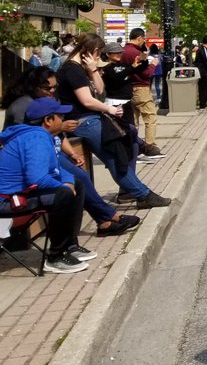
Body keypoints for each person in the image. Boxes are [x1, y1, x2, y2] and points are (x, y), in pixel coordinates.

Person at [2, 68, 140, 237]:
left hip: (47, 148)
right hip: (30, 156)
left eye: (55, 87)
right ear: (35, 87)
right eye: (48, 88)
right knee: (76, 180)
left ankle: (103, 221)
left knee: (79, 176)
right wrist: (63, 187)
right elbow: (33, 143)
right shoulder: (24, 107)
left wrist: (72, 153)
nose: (53, 91)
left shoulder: (46, 101)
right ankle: (104, 219)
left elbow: (56, 134)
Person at [56, 34, 171, 210]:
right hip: (83, 120)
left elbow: (100, 89)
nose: (98, 57)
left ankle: (135, 179)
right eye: (98, 53)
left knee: (129, 135)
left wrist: (93, 70)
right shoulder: (72, 70)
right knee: (115, 156)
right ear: (93, 51)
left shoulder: (82, 68)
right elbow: (87, 100)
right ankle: (142, 194)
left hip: (90, 118)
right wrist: (108, 108)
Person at [0, 97, 90, 273]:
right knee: (62, 195)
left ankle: (69, 246)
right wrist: (64, 187)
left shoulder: (41, 135)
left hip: (20, 194)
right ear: (48, 120)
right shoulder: (36, 138)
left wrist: (68, 181)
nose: (63, 120)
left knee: (76, 184)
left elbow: (56, 168)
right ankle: (55, 257)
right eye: (60, 117)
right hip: (8, 200)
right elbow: (37, 178)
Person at [124, 29, 162, 157]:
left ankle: (134, 147)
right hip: (141, 88)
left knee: (133, 121)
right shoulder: (137, 53)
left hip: (128, 88)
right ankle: (149, 147)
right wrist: (153, 65)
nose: (143, 42)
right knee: (150, 117)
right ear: (139, 38)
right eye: (143, 39)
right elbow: (146, 73)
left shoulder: (123, 51)